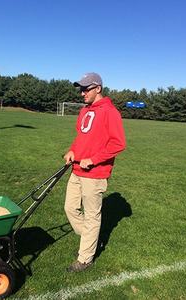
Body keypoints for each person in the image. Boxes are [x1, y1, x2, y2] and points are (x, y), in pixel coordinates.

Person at [63, 72, 126, 272]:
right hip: (76, 169)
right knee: (70, 208)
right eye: (81, 89)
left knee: (91, 216)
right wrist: (73, 150)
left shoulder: (110, 112)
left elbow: (118, 143)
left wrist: (95, 159)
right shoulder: (85, 110)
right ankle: (91, 240)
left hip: (94, 173)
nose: (82, 93)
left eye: (86, 89)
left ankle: (85, 258)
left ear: (98, 88)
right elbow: (81, 137)